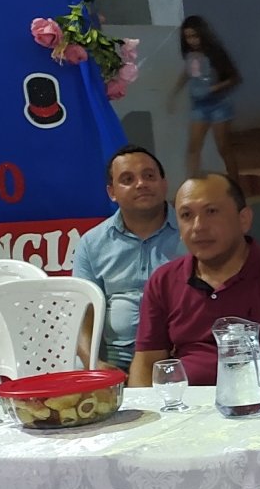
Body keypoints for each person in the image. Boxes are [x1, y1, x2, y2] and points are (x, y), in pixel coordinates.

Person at [130, 174, 260, 387]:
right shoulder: (163, 280)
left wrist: (246, 401)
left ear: (243, 219)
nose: (198, 226)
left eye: (211, 212)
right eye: (186, 215)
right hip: (183, 402)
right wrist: (145, 405)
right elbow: (145, 363)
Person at [70, 144, 187, 371]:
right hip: (116, 362)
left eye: (149, 176)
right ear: (112, 193)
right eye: (128, 179)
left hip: (181, 357)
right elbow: (82, 311)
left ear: (164, 184)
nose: (141, 184)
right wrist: (94, 364)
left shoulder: (192, 232)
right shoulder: (92, 243)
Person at [170, 15, 242, 181]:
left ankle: (235, 185)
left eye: (195, 36)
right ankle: (192, 184)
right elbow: (187, 73)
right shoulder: (190, 56)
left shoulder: (215, 54)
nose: (192, 41)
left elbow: (234, 78)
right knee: (193, 147)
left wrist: (214, 88)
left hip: (219, 105)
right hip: (199, 106)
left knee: (223, 147)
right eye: (188, 37)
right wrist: (175, 93)